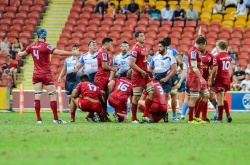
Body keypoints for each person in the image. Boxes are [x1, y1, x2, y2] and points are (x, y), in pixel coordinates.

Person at [18, 28, 81, 124]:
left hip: (36, 74)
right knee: (52, 95)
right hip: (45, 74)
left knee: (37, 95)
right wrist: (73, 53)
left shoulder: (31, 46)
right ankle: (55, 119)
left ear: (38, 36)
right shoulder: (46, 46)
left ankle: (39, 120)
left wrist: (19, 52)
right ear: (45, 36)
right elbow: (59, 52)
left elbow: (22, 54)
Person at [129, 31, 155, 123]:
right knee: (136, 97)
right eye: (141, 36)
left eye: (144, 35)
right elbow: (131, 64)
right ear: (136, 38)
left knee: (152, 92)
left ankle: (145, 115)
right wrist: (141, 71)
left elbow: (143, 62)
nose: (143, 37)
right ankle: (133, 119)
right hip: (137, 75)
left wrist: (147, 70)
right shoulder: (135, 49)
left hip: (145, 74)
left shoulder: (144, 48)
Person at [149, 40, 178, 121]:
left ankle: (165, 114)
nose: (158, 48)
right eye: (158, 47)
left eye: (160, 47)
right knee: (155, 97)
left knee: (164, 97)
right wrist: (151, 75)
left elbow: (174, 70)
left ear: (165, 47)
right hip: (156, 78)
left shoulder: (171, 57)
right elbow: (150, 68)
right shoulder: (155, 57)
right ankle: (156, 114)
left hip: (166, 78)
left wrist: (167, 78)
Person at [186, 36, 209, 124]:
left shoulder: (197, 51)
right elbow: (194, 67)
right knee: (193, 99)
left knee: (206, 95)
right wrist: (201, 78)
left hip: (198, 77)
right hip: (194, 77)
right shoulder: (193, 52)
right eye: (204, 45)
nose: (205, 48)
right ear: (201, 44)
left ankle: (196, 117)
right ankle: (190, 120)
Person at [94, 37, 118, 121]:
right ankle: (97, 114)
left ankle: (103, 114)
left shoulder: (103, 52)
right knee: (101, 97)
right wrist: (113, 69)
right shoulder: (103, 52)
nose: (111, 46)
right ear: (106, 43)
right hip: (101, 77)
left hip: (104, 77)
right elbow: (104, 66)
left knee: (105, 96)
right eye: (111, 44)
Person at [211, 40, 232, 123]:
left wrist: (211, 79)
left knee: (219, 100)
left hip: (220, 79)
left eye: (216, 46)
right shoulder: (228, 56)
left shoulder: (216, 56)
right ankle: (228, 115)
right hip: (227, 79)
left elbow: (215, 69)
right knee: (223, 98)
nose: (216, 47)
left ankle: (220, 119)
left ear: (218, 46)